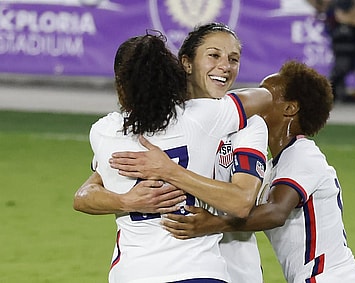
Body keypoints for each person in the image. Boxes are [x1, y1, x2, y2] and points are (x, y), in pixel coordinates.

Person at [120, 61, 355, 283]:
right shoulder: (276, 163)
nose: (257, 98)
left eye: (266, 94)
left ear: (290, 109)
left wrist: (212, 224)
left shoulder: (303, 154)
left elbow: (275, 212)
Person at [74, 25, 272, 282]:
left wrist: (168, 172)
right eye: (214, 55)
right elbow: (83, 196)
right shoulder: (205, 118)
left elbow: (242, 202)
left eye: (233, 59)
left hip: (224, 267)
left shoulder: (106, 131)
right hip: (200, 267)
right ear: (184, 65)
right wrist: (128, 201)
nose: (225, 66)